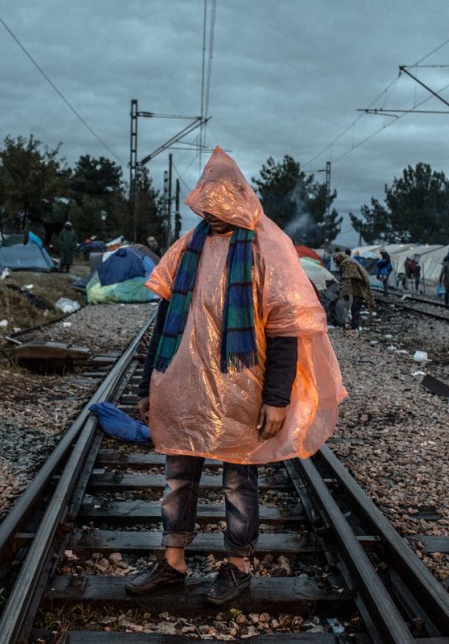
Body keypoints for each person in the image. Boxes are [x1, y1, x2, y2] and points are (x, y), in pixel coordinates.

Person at [126, 147, 346, 606]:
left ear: (239, 198)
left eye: (221, 202)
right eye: (208, 202)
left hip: (241, 389)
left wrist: (277, 398)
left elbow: (286, 328)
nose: (213, 210)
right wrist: (149, 385)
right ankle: (172, 561)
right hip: (183, 386)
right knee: (177, 475)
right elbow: (165, 320)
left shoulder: (267, 248)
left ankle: (238, 565)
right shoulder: (188, 247)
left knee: (238, 482)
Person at [332, 251, 376, 333]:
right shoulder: (349, 261)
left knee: (355, 308)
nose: (335, 262)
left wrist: (345, 293)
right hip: (359, 288)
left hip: (358, 289)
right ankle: (354, 325)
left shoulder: (347, 263)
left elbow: (347, 280)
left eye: (335, 260)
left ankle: (355, 326)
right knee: (356, 307)